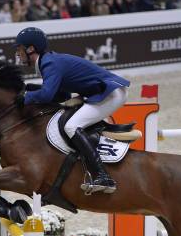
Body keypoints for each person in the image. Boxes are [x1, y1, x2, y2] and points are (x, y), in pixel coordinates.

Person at [14, 27, 130, 194]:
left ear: (31, 48)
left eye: (19, 49)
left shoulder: (49, 63)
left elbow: (47, 95)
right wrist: (29, 89)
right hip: (106, 92)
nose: (18, 54)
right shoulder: (48, 61)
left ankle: (102, 176)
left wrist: (26, 97)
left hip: (110, 93)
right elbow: (63, 95)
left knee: (71, 126)